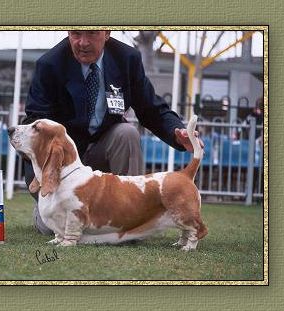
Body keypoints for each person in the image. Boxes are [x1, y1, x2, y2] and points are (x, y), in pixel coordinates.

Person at [22, 30, 203, 234]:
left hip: (103, 151)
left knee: (127, 133)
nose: (82, 42)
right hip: (64, 162)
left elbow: (150, 108)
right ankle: (47, 209)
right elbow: (36, 122)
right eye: (75, 33)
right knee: (51, 229)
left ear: (107, 32)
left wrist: (176, 131)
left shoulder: (127, 58)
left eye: (91, 34)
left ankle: (131, 216)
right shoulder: (49, 64)